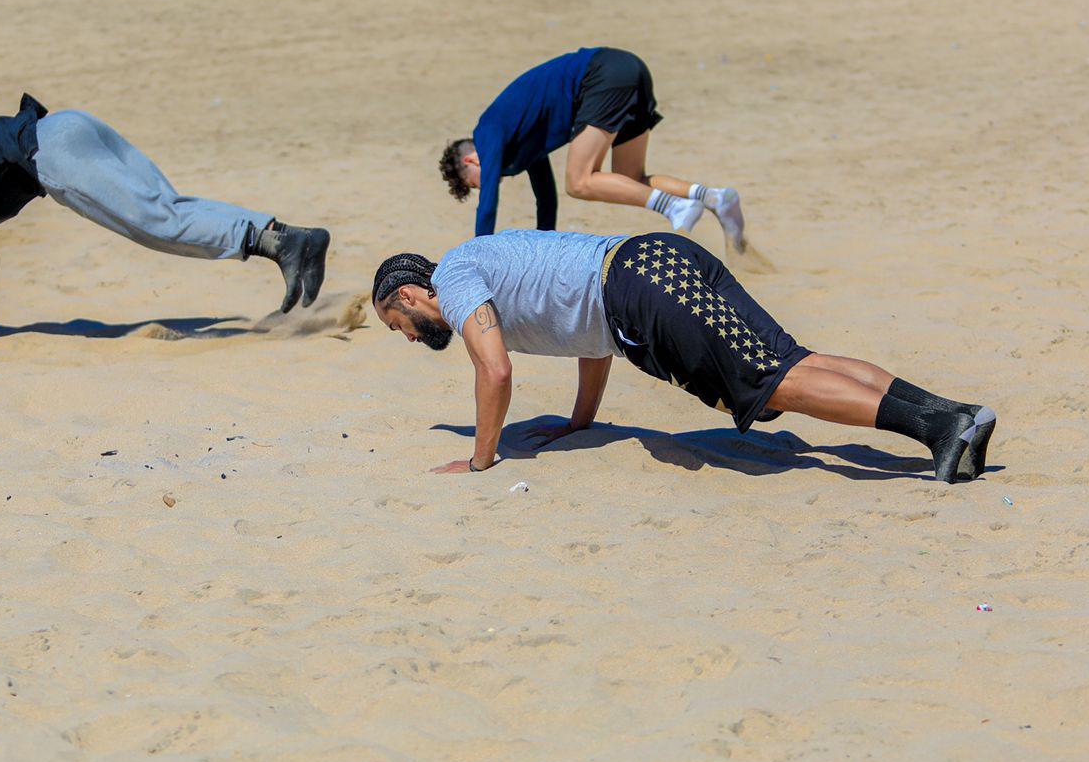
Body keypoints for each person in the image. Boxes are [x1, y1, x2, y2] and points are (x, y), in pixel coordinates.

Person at [370, 231, 997, 482]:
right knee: (791, 359)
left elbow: (495, 369)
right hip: (657, 257)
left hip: (640, 291)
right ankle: (955, 413)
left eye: (398, 323)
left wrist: (482, 459)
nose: (407, 336)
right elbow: (594, 338)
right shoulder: (489, 259)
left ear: (408, 293)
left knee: (769, 383)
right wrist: (581, 421)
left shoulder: (454, 279)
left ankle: (936, 430)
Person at [0, 95, 331, 353]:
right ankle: (287, 238)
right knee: (167, 206)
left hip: (51, 152)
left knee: (158, 223)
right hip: (65, 125)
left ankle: (280, 244)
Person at [439, 46, 746, 250]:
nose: (483, 185)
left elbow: (489, 201)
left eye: (472, 183)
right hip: (629, 69)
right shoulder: (519, 144)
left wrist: (478, 255)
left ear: (471, 159)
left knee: (579, 182)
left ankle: (675, 207)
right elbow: (545, 195)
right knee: (630, 179)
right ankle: (714, 198)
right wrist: (547, 246)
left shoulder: (488, 130)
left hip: (601, 75)